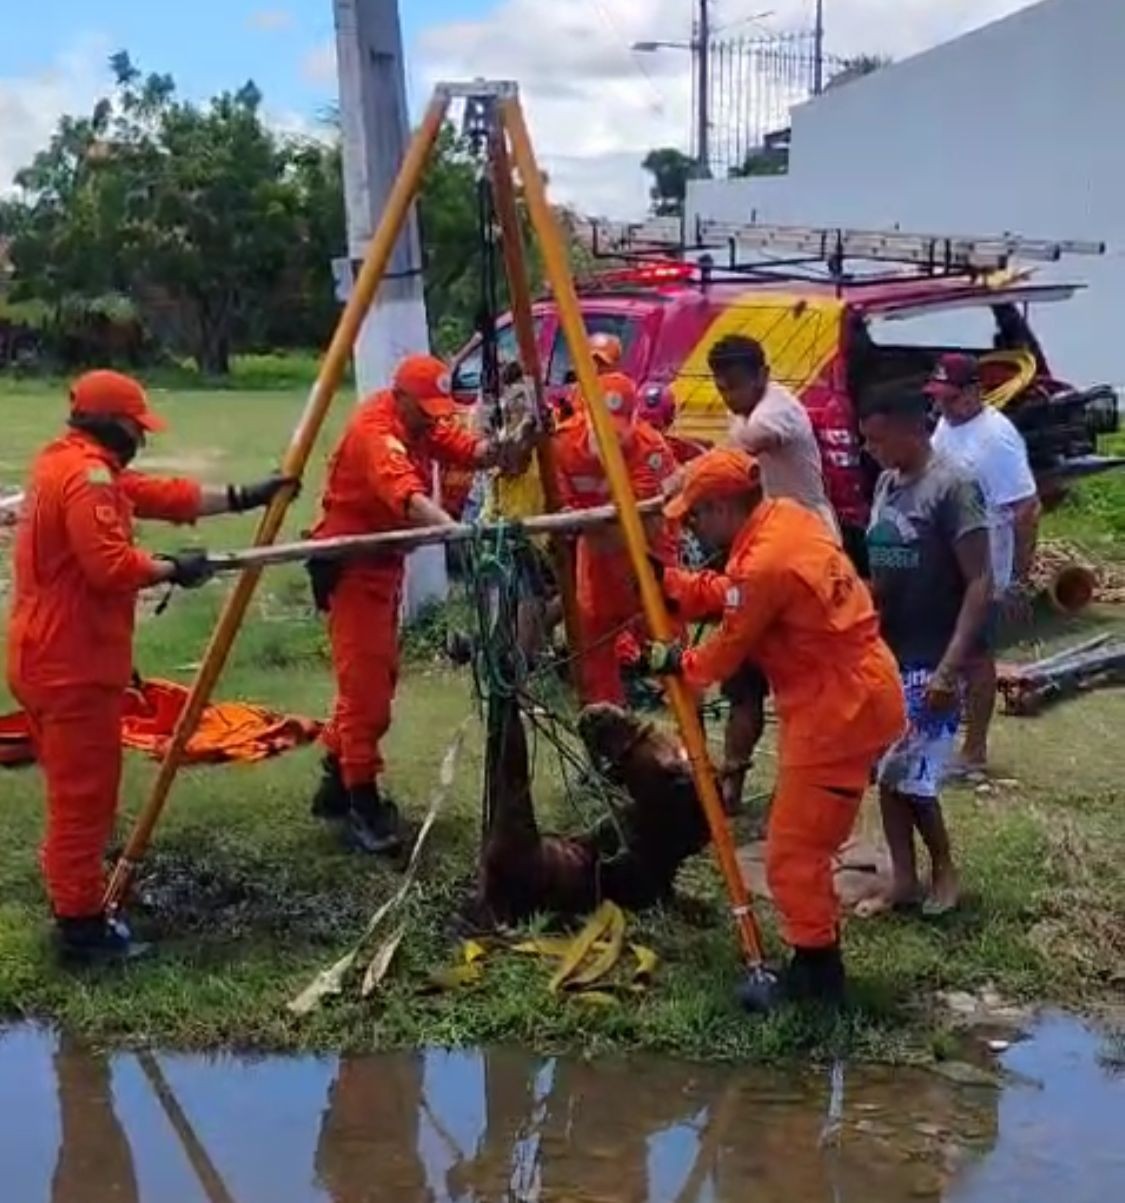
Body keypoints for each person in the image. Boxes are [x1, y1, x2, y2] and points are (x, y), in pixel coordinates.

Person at [7, 370, 291, 964]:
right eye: (137, 427)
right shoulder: (88, 479)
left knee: (73, 792)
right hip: (71, 666)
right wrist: (172, 569)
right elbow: (110, 565)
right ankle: (81, 928)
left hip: (45, 654)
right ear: (113, 423)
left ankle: (74, 898)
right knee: (83, 799)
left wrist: (243, 496)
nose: (142, 436)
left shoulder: (67, 463)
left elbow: (160, 495)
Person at [640, 448, 905, 1005]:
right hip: (851, 694)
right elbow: (741, 593)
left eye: (696, 516)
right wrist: (679, 587)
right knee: (802, 845)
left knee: (793, 853)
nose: (693, 527)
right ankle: (815, 958)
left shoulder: (766, 562)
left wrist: (676, 665)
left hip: (839, 710)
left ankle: (816, 975)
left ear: (724, 506)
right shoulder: (786, 520)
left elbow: (729, 646)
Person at [308, 354, 526, 855]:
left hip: (383, 566)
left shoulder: (419, 422)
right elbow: (406, 496)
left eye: (436, 411)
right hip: (353, 567)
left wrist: (506, 447)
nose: (431, 419)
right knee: (367, 697)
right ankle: (363, 803)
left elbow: (465, 448)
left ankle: (334, 786)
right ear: (399, 396)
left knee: (375, 680)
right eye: (423, 409)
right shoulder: (376, 432)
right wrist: (452, 532)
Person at [860, 390, 993, 913]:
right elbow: (885, 571)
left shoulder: (954, 486)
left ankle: (944, 870)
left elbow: (980, 581)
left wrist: (948, 670)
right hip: (887, 653)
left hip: (934, 654)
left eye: (878, 438)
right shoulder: (888, 484)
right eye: (865, 439)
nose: (870, 449)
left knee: (910, 774)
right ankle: (903, 880)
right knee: (888, 774)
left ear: (913, 429)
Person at [703, 334, 843, 814]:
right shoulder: (742, 412)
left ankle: (823, 783)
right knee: (744, 679)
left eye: (736, 387)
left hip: (808, 557)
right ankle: (732, 784)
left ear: (762, 375)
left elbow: (733, 457)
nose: (729, 397)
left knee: (809, 681)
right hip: (762, 556)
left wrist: (683, 477)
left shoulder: (776, 412)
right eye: (722, 389)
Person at [927, 353, 1041, 778]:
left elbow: (1027, 509)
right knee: (942, 649)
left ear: (974, 393)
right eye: (938, 398)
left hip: (985, 565)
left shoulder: (996, 439)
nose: (943, 406)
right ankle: (938, 735)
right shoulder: (948, 424)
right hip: (947, 559)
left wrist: (1016, 578)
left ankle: (974, 749)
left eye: (951, 398)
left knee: (975, 657)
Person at [551, 371, 679, 705]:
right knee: (594, 650)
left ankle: (690, 735)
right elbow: (558, 513)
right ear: (587, 417)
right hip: (596, 562)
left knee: (670, 646)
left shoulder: (651, 449)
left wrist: (586, 525)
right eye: (603, 429)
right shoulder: (561, 446)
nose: (612, 441)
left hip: (647, 557)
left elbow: (648, 528)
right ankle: (610, 736)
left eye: (618, 431)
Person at [557, 332, 623, 420]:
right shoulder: (577, 391)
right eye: (591, 360)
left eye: (602, 362)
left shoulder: (620, 389)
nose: (596, 366)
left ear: (615, 365)